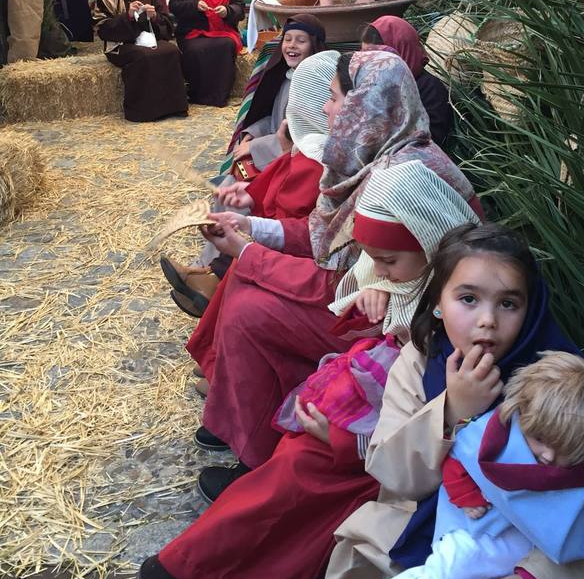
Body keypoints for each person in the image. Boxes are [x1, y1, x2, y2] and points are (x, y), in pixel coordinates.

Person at [218, 224, 584, 579]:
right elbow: (393, 474)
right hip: (415, 545)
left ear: (531, 309)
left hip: (515, 574)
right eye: (468, 299)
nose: (487, 320)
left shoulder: (563, 383)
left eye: (509, 303)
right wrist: (452, 410)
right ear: (437, 303)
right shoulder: (419, 362)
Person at [138, 161, 479, 579]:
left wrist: (347, 441)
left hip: (392, 447)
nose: (328, 110)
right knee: (294, 446)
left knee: (303, 463)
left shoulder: (460, 320)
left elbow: (426, 424)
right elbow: (367, 281)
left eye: (339, 99)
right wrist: (374, 287)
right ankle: (214, 540)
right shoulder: (427, 274)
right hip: (383, 412)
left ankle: (206, 565)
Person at [187, 50, 482, 472]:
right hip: (375, 298)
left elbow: (343, 278)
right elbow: (322, 239)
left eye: (333, 97)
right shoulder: (381, 153)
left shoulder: (399, 175)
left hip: (399, 320)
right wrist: (250, 229)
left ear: (363, 106)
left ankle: (254, 455)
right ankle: (239, 418)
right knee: (245, 283)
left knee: (251, 310)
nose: (325, 108)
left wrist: (248, 253)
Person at [361, 351, 584, 579]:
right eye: (540, 441)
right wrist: (466, 496)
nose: (548, 457)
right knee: (452, 573)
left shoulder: (582, 444)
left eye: (565, 451)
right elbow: (460, 462)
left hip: (541, 552)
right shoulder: (499, 432)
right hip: (484, 532)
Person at [161, 52, 336, 327]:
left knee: (249, 261)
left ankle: (215, 290)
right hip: (284, 172)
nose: (327, 107)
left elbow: (296, 215)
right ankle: (210, 274)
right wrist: (250, 193)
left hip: (305, 259)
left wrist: (251, 226)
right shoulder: (309, 143)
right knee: (231, 191)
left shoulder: (321, 161)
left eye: (334, 99)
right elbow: (280, 152)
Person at [91, 0, 188, 122]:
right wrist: (127, 17)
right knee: (143, 56)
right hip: (119, 45)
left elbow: (167, 24)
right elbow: (103, 29)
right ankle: (143, 112)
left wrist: (154, 17)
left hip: (147, 39)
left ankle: (172, 107)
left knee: (171, 50)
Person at [220, 13, 327, 174]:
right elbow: (275, 120)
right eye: (288, 39)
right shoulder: (286, 79)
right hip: (272, 149)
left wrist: (255, 147)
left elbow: (302, 136)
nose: (292, 45)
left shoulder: (314, 87)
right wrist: (254, 132)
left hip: (295, 162)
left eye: (301, 40)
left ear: (314, 46)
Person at [169, 0, 244, 108]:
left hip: (224, 31)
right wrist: (194, 5)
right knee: (196, 49)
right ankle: (197, 94)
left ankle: (219, 96)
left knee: (225, 45)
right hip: (192, 32)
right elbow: (173, 5)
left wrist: (227, 11)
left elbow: (240, 8)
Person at [361, 16, 453, 146]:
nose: (369, 65)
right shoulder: (371, 86)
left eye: (376, 58)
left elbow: (431, 142)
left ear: (400, 53)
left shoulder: (429, 89)